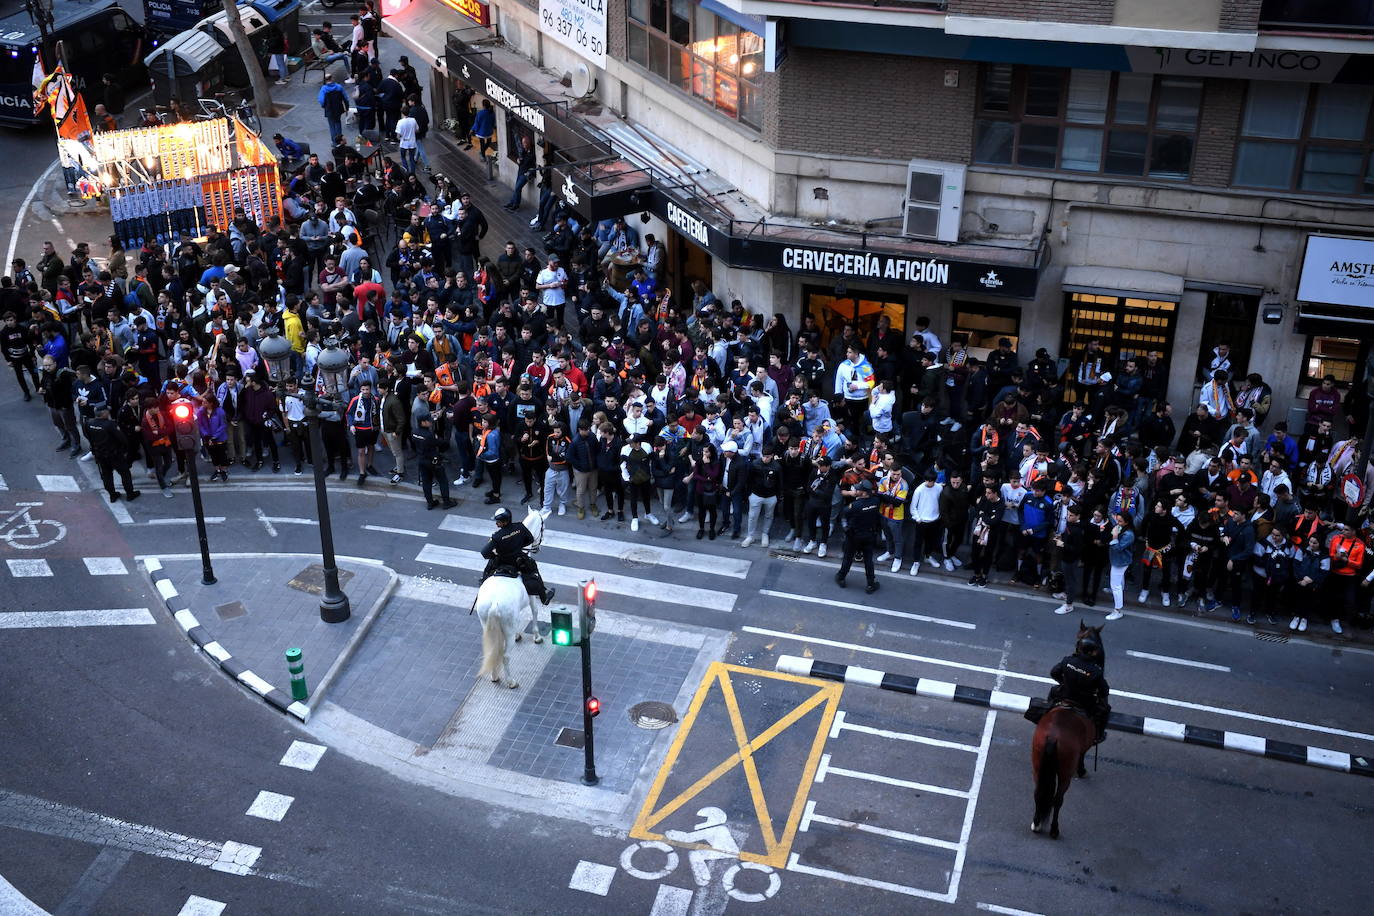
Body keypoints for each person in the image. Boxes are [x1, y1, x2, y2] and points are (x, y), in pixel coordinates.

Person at [480, 506, 556, 604]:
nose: (496, 523)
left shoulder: (497, 536)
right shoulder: (520, 527)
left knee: (488, 569)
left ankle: (483, 582)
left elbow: (484, 553)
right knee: (533, 569)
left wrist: (495, 555)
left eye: (498, 521)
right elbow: (530, 539)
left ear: (505, 522)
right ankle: (544, 597)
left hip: (501, 562)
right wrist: (517, 546)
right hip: (518, 561)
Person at [1046, 634, 1111, 745]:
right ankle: (1098, 735)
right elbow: (1104, 691)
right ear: (1090, 652)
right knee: (1105, 710)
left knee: (1053, 691)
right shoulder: (1095, 671)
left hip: (1064, 694)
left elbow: (1054, 672)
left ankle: (1046, 712)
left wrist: (1064, 683)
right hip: (1085, 701)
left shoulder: (1068, 660)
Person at [84, 405, 140, 503]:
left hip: (100, 455)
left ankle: (112, 495)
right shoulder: (110, 424)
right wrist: (124, 450)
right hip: (115, 455)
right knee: (125, 473)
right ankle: (130, 494)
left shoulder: (89, 423)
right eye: (107, 412)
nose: (109, 413)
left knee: (106, 475)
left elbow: (88, 436)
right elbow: (122, 439)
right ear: (104, 413)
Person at [835, 477, 881, 593]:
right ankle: (870, 584)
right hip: (869, 535)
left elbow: (844, 515)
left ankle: (841, 577)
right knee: (868, 561)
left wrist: (846, 530)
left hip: (854, 536)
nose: (856, 491)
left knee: (848, 558)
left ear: (864, 492)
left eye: (858, 490)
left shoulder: (855, 505)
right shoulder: (875, 501)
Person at [411, 407, 456, 509]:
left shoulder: (414, 431)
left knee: (426, 482)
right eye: (428, 421)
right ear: (423, 422)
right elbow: (441, 443)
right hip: (433, 460)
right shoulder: (429, 435)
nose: (430, 422)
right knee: (442, 480)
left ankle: (430, 503)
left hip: (422, 460)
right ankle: (446, 502)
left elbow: (414, 445)